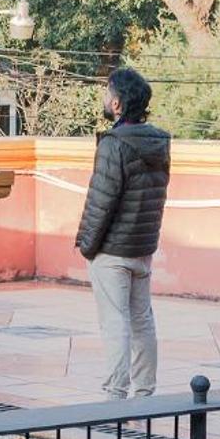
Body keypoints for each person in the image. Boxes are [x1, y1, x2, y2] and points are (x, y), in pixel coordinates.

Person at [75, 66, 171, 400]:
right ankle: (145, 394)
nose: (105, 98)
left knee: (115, 322)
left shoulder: (114, 144)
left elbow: (100, 202)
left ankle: (115, 395)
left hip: (113, 251)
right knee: (142, 320)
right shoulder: (159, 142)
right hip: (142, 248)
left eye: (107, 92)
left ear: (117, 104)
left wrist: (87, 246)